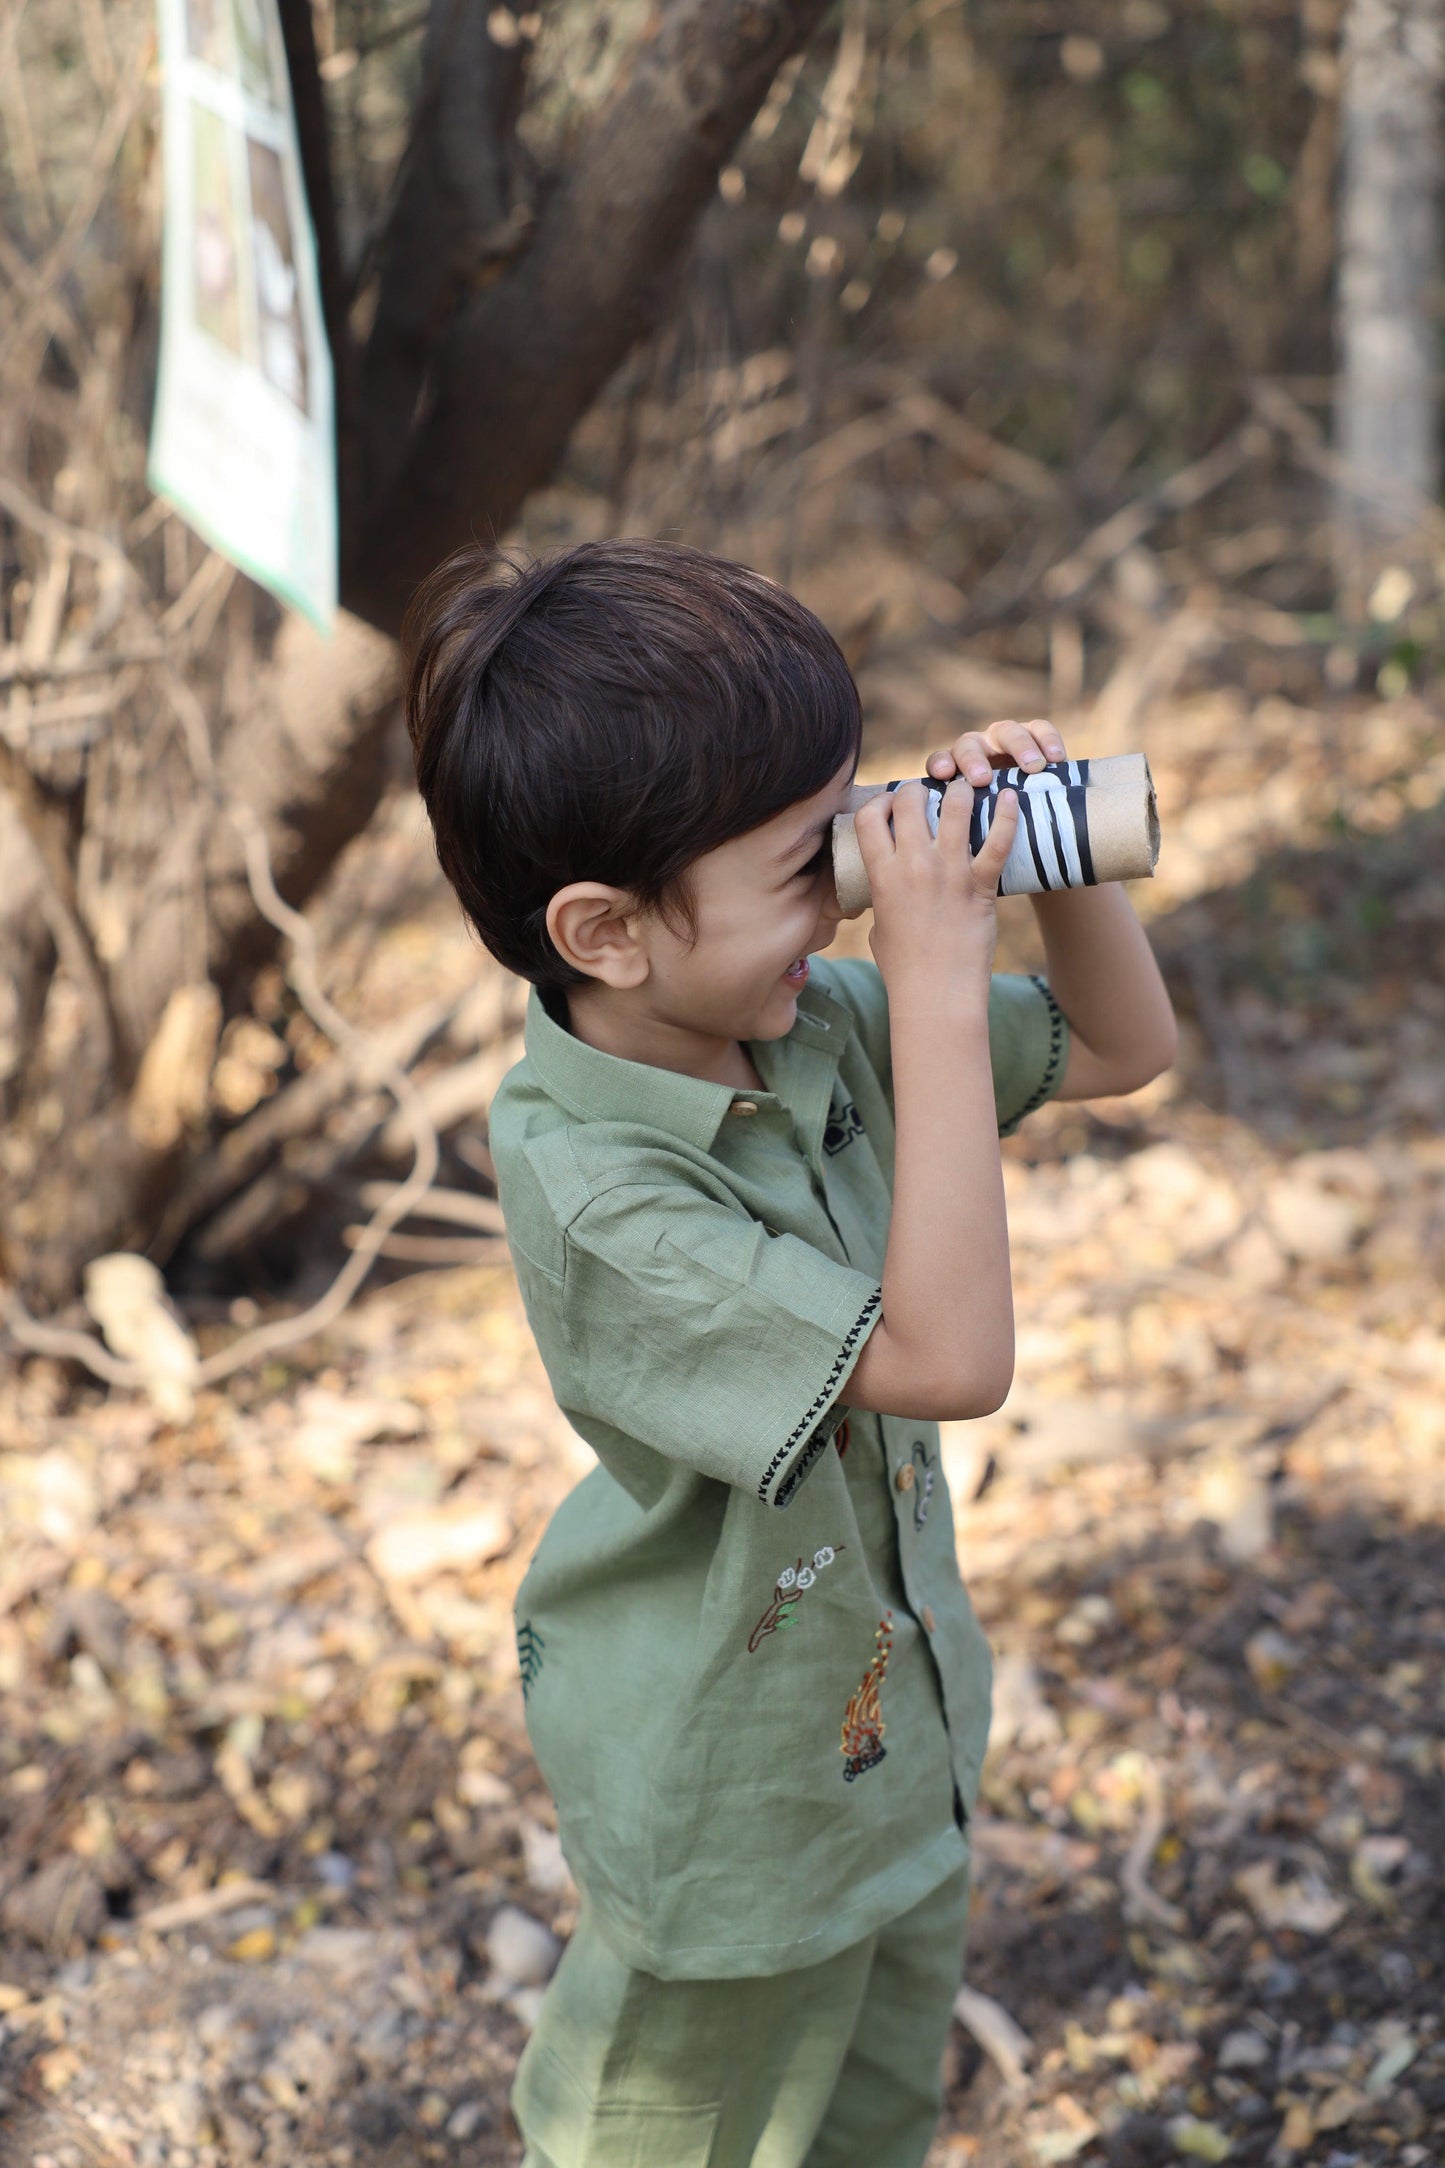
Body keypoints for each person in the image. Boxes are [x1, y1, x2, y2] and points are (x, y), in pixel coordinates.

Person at [404, 539, 1177, 2168]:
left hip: (897, 1748)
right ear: (607, 932)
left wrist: (1055, 865)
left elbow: (1121, 1045)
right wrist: (939, 989)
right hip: (728, 1804)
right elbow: (949, 1356)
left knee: (869, 2128)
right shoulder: (598, 1192)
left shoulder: (801, 1010)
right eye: (804, 863)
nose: (850, 887)